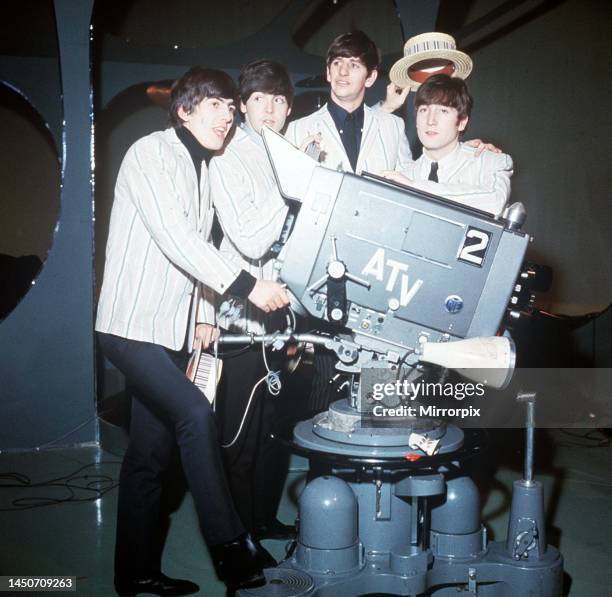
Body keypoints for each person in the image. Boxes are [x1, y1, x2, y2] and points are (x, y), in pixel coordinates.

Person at [95, 67, 289, 596]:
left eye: (232, 107)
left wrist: (204, 312)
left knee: (149, 459)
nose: (228, 116)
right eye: (216, 106)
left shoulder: (203, 168)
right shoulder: (150, 153)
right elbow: (178, 238)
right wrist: (247, 286)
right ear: (184, 110)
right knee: (195, 412)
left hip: (169, 332)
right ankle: (230, 546)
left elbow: (200, 257)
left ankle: (134, 574)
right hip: (129, 327)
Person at [208, 60, 297, 541]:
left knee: (271, 430)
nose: (270, 108)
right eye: (259, 98)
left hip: (282, 318)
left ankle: (263, 518)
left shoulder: (285, 151)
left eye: (279, 99)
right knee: (239, 435)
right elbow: (249, 239)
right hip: (239, 318)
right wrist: (290, 187)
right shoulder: (227, 155)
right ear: (242, 106)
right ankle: (238, 534)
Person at [382, 73, 513, 216]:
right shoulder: (404, 176)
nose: (431, 120)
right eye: (424, 110)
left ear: (462, 122)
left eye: (443, 110)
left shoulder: (491, 162)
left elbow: (494, 204)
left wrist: (416, 189)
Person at [285, 30, 413, 174]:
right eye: (337, 63)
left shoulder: (393, 127)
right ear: (328, 72)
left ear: (370, 78)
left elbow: (408, 185)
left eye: (354, 65)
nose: (343, 71)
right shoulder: (297, 131)